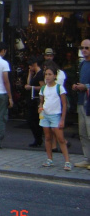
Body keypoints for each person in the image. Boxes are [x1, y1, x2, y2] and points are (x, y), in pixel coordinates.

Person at [38, 61, 71, 171]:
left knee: (61, 138)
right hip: (45, 115)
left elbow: (64, 104)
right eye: (46, 74)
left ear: (55, 76)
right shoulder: (43, 88)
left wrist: (62, 119)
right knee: (47, 137)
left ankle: (67, 161)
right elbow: (42, 101)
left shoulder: (59, 88)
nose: (47, 76)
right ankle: (49, 159)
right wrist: (40, 107)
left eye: (50, 74)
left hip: (55, 115)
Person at [72, 38, 90, 169]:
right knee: (83, 133)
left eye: (86, 48)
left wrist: (86, 86)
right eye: (82, 48)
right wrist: (77, 86)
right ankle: (87, 159)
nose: (84, 50)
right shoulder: (82, 64)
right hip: (81, 102)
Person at [24, 56, 45, 148]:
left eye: (30, 65)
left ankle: (38, 138)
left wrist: (32, 88)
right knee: (32, 120)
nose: (29, 67)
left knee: (34, 120)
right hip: (32, 99)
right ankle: (37, 138)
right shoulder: (35, 74)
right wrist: (30, 74)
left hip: (36, 99)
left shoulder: (40, 74)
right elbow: (29, 82)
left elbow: (43, 87)